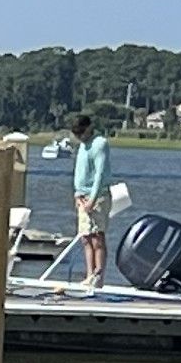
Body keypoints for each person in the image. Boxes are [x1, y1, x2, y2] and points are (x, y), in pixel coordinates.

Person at [59, 112, 113, 285]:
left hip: (97, 197)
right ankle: (89, 274)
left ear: (89, 128)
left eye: (81, 132)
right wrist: (77, 194)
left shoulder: (100, 144)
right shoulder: (82, 145)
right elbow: (80, 171)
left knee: (97, 236)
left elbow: (100, 173)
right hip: (81, 196)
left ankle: (99, 276)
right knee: (85, 237)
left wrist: (93, 200)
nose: (80, 137)